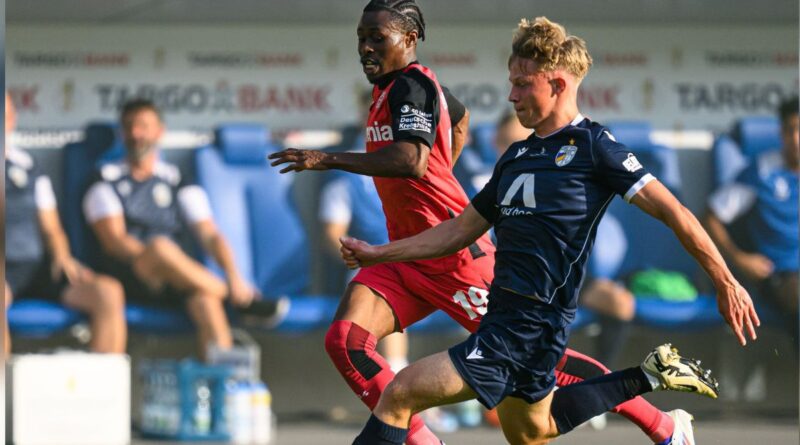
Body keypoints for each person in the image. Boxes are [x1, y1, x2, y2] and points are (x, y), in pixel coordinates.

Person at [271, 3, 707, 445]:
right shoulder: (391, 90)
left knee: (543, 368)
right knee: (345, 339)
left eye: (377, 37)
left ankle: (662, 424)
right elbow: (458, 118)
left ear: (410, 40)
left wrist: (325, 158)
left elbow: (411, 160)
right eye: (361, 37)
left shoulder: (412, 84)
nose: (366, 46)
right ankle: (421, 439)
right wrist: (446, 165)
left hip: (454, 254)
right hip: (407, 253)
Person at [83, 98, 287, 359]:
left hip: (175, 277)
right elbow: (115, 241)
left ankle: (221, 388)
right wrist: (158, 259)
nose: (136, 134)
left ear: (159, 132)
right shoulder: (103, 178)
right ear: (122, 133)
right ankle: (240, 302)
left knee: (206, 303)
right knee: (160, 247)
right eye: (129, 127)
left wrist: (234, 276)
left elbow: (209, 233)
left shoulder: (176, 179)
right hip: (130, 274)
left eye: (143, 126)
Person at [5, 92, 127, 354]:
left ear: (12, 119)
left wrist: (62, 257)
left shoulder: (28, 167)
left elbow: (51, 228)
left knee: (107, 292)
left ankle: (103, 392)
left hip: (38, 268)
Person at [704, 96, 799, 350]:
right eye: (791, 130)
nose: (797, 139)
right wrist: (739, 258)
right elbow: (712, 217)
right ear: (781, 133)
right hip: (779, 274)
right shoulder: (762, 171)